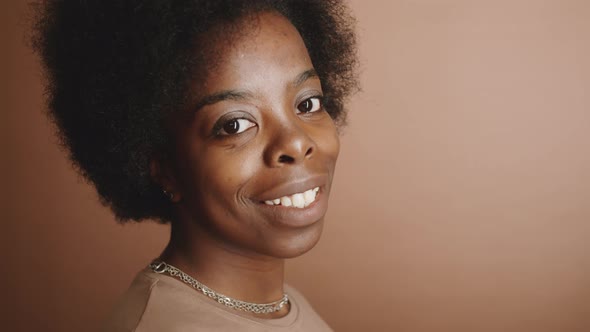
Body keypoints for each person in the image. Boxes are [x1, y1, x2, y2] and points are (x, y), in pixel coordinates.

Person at [32, 0, 358, 330]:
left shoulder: (280, 304)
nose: (296, 142)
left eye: (308, 103)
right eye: (234, 125)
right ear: (165, 169)